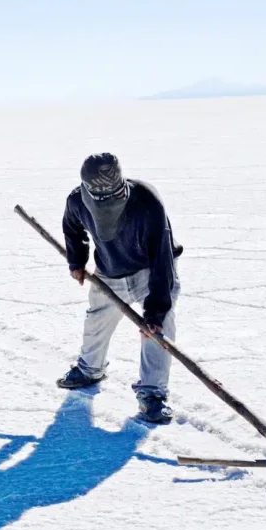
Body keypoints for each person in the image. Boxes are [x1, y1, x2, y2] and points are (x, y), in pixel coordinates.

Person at [56, 152, 182, 424]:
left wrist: (156, 312)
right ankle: (90, 369)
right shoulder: (77, 200)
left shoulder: (147, 201)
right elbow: (72, 227)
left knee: (158, 332)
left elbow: (162, 258)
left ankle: (152, 394)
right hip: (109, 271)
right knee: (96, 320)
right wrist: (76, 260)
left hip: (151, 271)